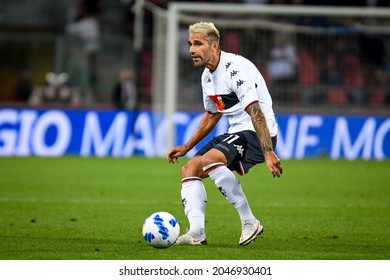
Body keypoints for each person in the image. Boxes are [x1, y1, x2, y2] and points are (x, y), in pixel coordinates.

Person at [166, 22, 283, 246]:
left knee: (210, 160)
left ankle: (250, 221)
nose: (191, 49)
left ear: (214, 46)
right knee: (189, 169)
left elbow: (255, 112)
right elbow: (212, 115)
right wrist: (186, 147)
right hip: (236, 132)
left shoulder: (235, 69)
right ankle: (196, 232)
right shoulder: (207, 77)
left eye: (198, 44)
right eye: (190, 44)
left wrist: (268, 152)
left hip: (257, 133)